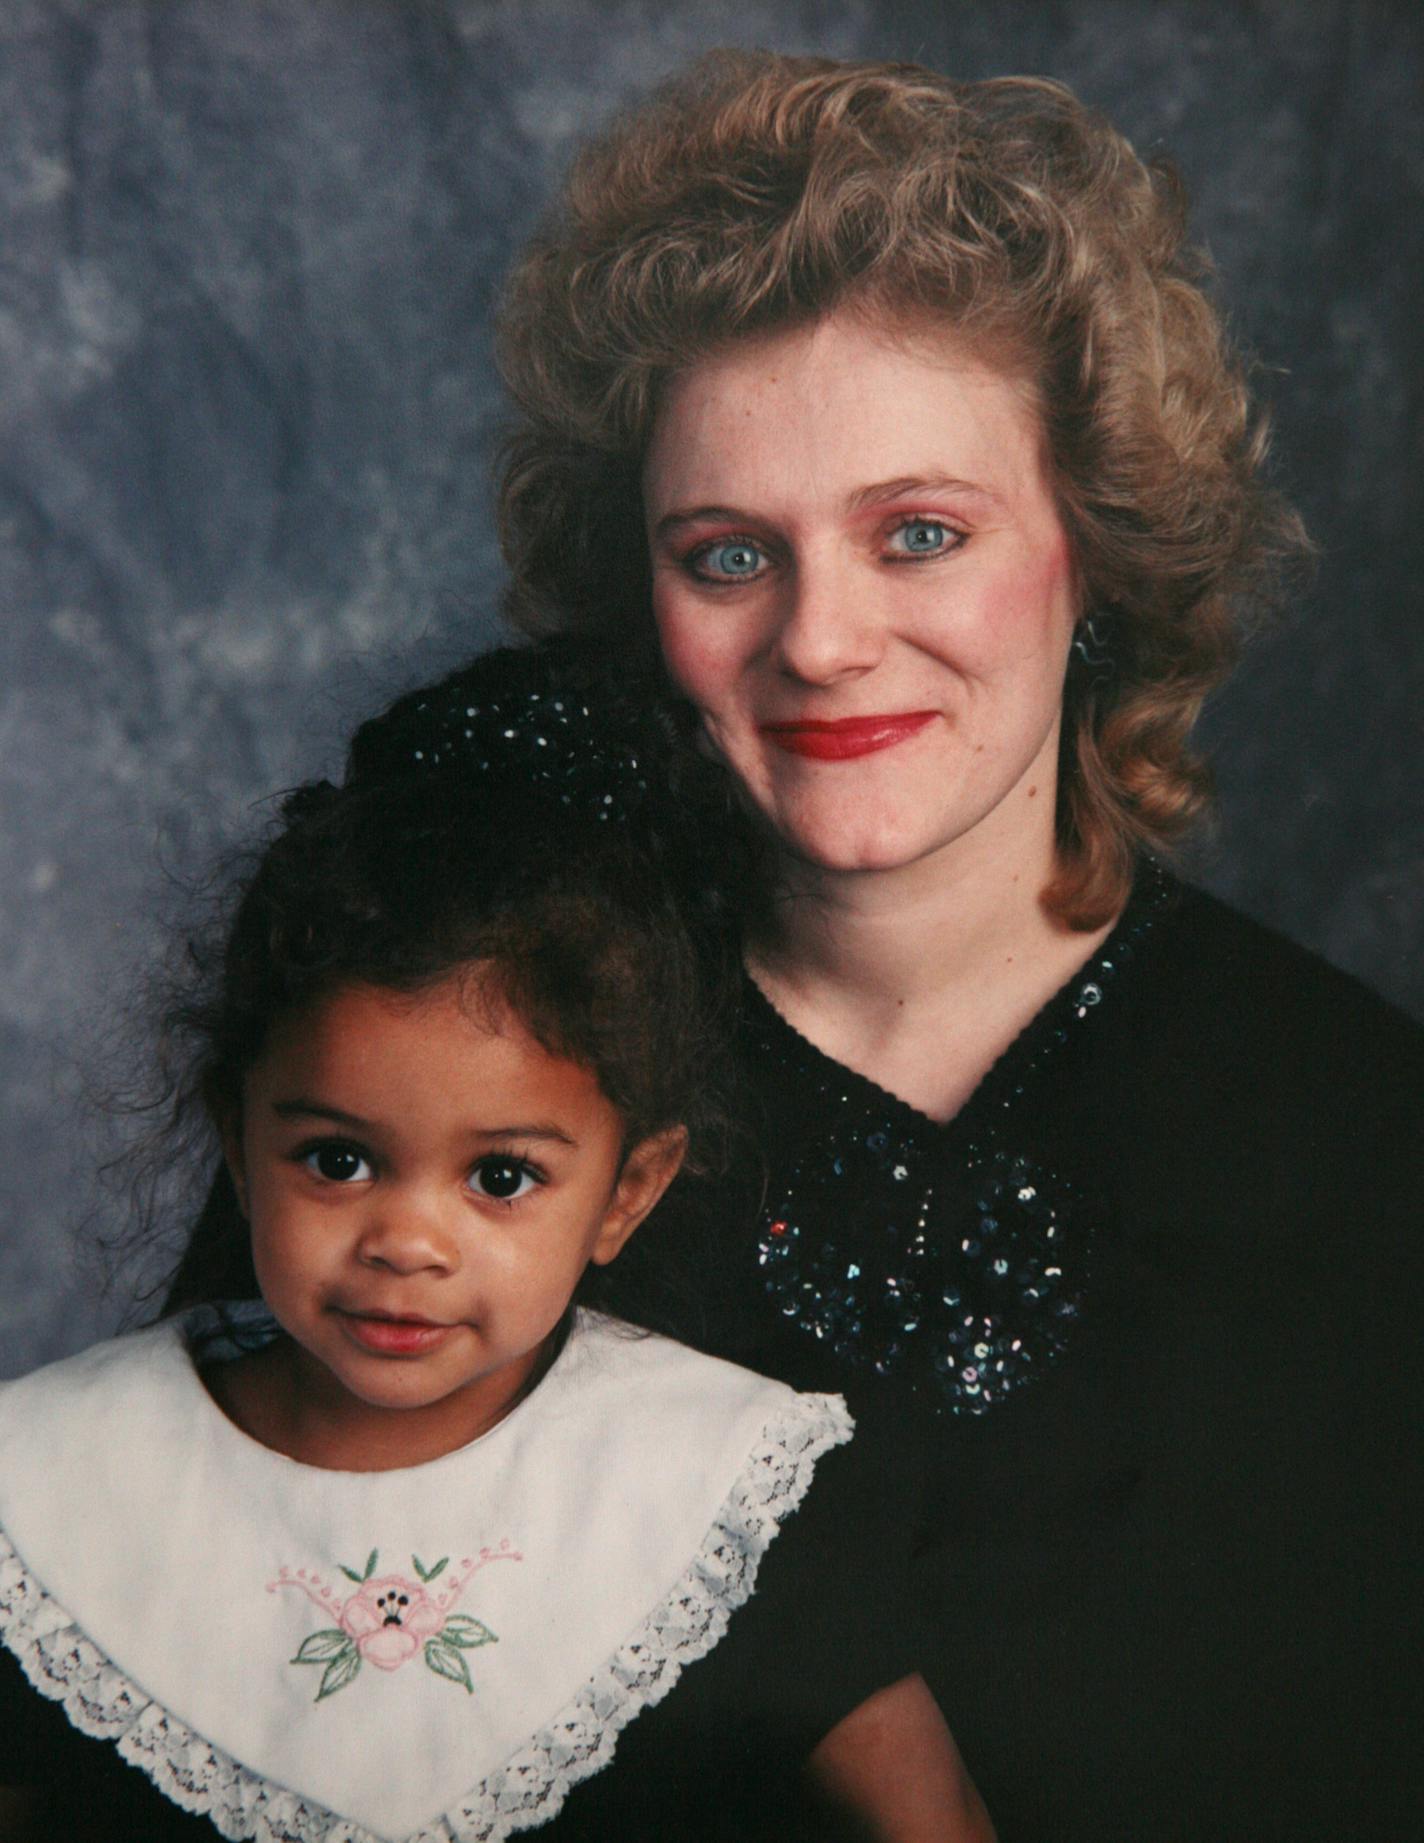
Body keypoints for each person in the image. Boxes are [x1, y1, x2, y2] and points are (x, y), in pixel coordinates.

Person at [361, 50, 1424, 1841]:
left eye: (917, 533)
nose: (823, 640)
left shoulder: (1362, 1131)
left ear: (1089, 553)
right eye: (725, 555)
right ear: (643, 597)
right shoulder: (448, 1084)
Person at [0, 665, 995, 1843]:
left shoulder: (722, 1491)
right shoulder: (50, 1495)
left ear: (626, 1193)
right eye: (335, 1160)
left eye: (502, 1177)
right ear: (237, 1134)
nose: (407, 1243)